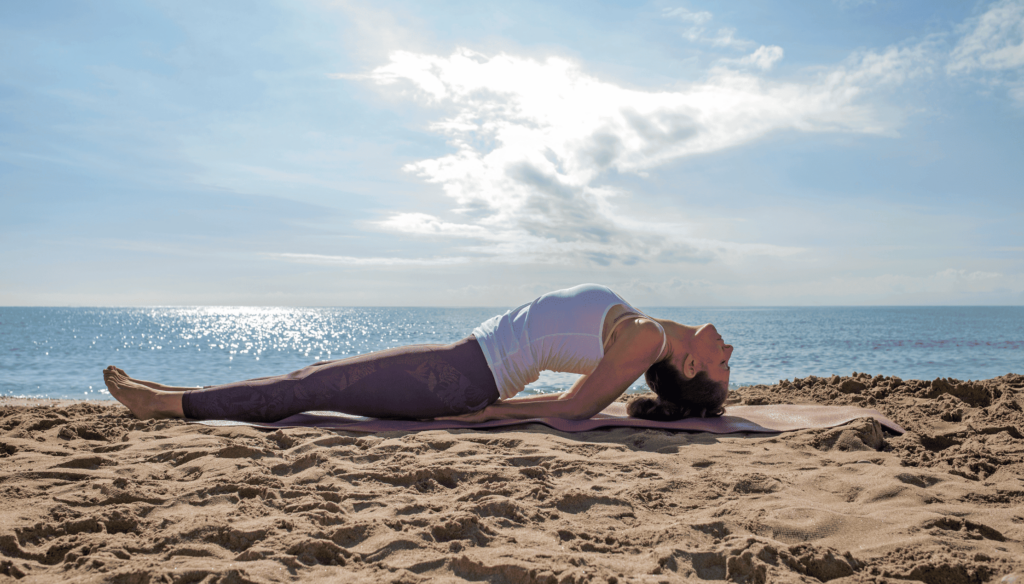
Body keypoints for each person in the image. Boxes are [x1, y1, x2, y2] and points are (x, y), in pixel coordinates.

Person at [103, 284, 733, 423]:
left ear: (691, 366)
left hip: (461, 379)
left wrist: (491, 415)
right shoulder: (648, 328)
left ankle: (166, 404)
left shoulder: (646, 339)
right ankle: (179, 393)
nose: (730, 349)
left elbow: (572, 409)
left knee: (314, 384)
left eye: (725, 364)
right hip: (464, 363)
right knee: (318, 379)